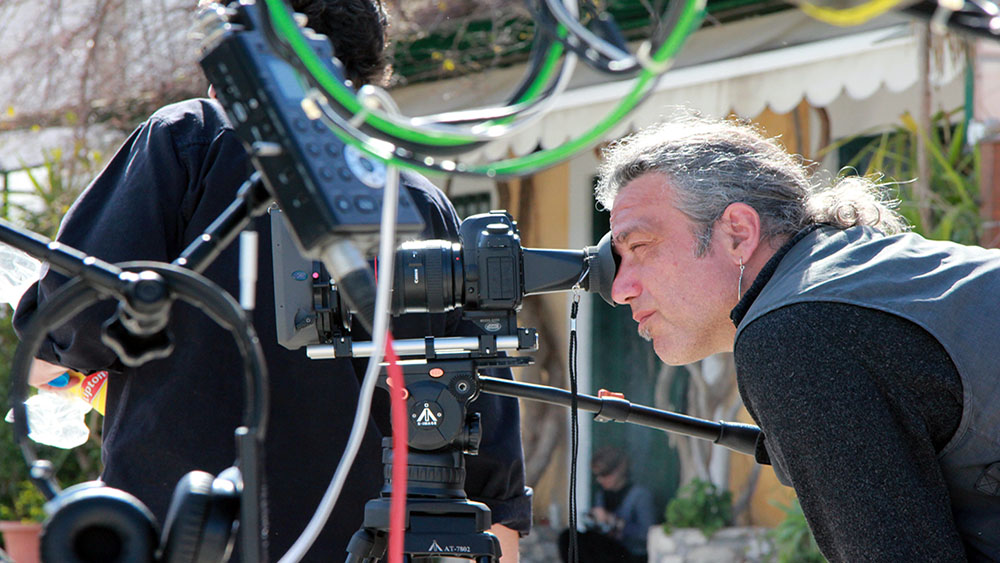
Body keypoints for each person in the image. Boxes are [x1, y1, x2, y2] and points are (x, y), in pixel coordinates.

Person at [13, 1, 529, 560]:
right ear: (366, 63)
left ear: (234, 51)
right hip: (364, 542)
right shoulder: (416, 199)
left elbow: (68, 330)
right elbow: (482, 417)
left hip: (189, 535)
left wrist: (65, 358)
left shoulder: (188, 139)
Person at [595, 114, 1000, 562]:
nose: (620, 288)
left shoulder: (796, 329)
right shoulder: (847, 274)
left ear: (738, 233)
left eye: (640, 247)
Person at [558, 446, 654, 563]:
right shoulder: (602, 494)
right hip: (607, 549)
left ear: (619, 470)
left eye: (605, 474)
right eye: (597, 475)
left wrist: (614, 521)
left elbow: (647, 535)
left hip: (630, 554)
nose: (600, 480)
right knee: (568, 537)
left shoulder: (639, 495)